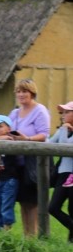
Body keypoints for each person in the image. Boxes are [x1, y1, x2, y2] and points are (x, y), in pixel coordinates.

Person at [5, 78, 50, 237]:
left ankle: (34, 235)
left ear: (32, 93)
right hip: (17, 162)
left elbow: (43, 135)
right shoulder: (14, 113)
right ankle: (26, 235)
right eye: (18, 91)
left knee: (32, 202)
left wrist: (27, 139)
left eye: (24, 91)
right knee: (23, 201)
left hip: (33, 162)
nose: (21, 94)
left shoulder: (40, 110)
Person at [0, 115, 21, 231]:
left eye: (0, 126)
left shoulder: (11, 140)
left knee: (6, 206)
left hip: (10, 179)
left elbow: (9, 139)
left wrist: (0, 138)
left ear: (8, 129)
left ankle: (7, 231)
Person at [48, 102, 73, 242]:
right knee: (53, 208)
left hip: (71, 175)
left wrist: (64, 130)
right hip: (63, 174)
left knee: (72, 209)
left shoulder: (64, 129)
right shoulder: (64, 129)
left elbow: (65, 146)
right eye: (62, 113)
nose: (63, 115)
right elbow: (51, 144)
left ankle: (70, 244)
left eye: (67, 112)